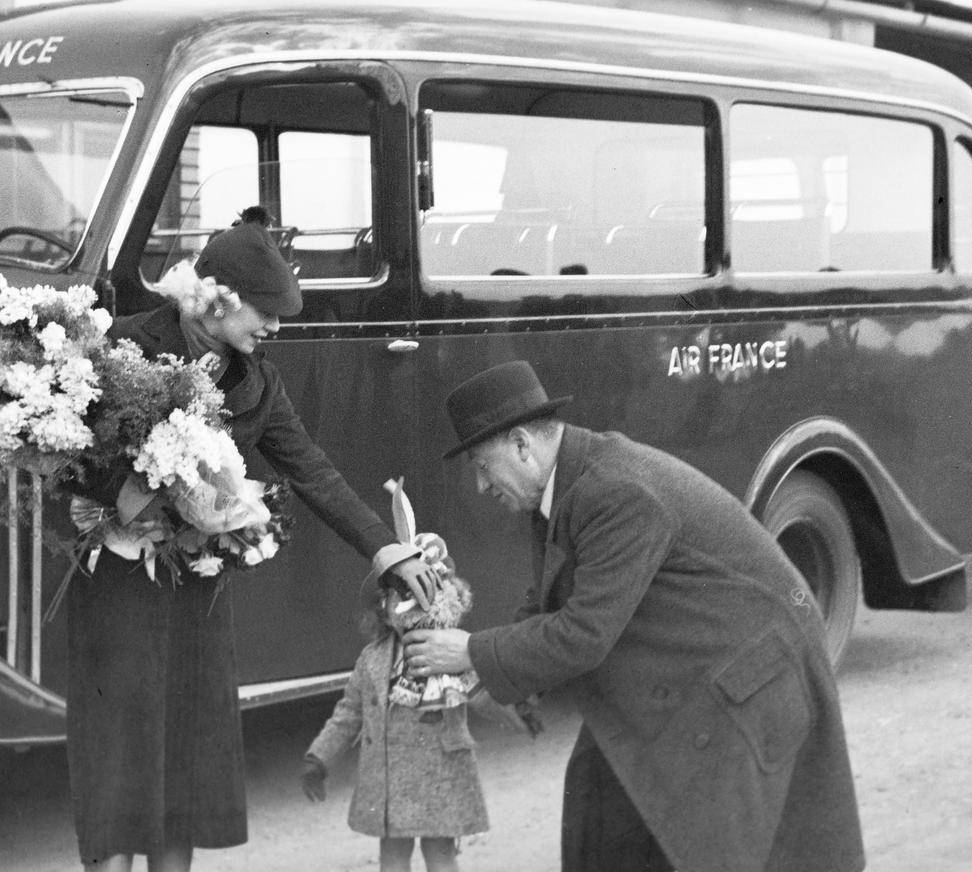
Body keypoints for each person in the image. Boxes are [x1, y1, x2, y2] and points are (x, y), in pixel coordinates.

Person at [64, 206, 441, 872]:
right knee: (118, 745)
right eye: (263, 313)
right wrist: (117, 498)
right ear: (216, 300)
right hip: (120, 587)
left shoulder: (258, 381)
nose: (273, 328)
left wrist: (386, 548)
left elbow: (312, 467)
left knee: (186, 749)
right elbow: (62, 453)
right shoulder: (120, 345)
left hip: (196, 590)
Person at [401, 360, 864, 872]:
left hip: (744, 682)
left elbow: (584, 634)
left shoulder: (613, 490)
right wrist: (494, 677)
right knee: (600, 805)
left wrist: (471, 651)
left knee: (700, 850)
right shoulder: (566, 483)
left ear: (521, 446)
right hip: (689, 669)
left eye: (483, 468)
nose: (484, 487)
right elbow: (550, 596)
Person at [301, 535, 534, 872]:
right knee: (393, 858)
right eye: (401, 594)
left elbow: (480, 690)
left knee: (440, 856)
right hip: (389, 781)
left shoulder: (452, 652)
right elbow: (349, 712)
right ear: (384, 606)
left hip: (440, 773)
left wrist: (519, 711)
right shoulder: (372, 659)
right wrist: (319, 757)